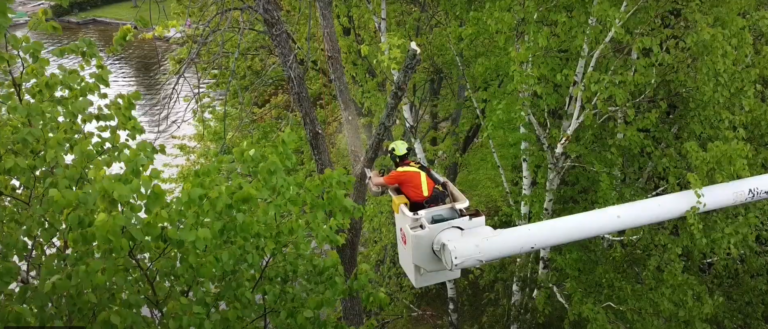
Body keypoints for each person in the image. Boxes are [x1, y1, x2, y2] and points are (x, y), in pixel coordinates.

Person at [370, 140, 449, 212]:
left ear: (394, 158)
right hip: (438, 199)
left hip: (425, 207)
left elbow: (375, 181)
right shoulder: (416, 165)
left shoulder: (400, 173)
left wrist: (374, 173)